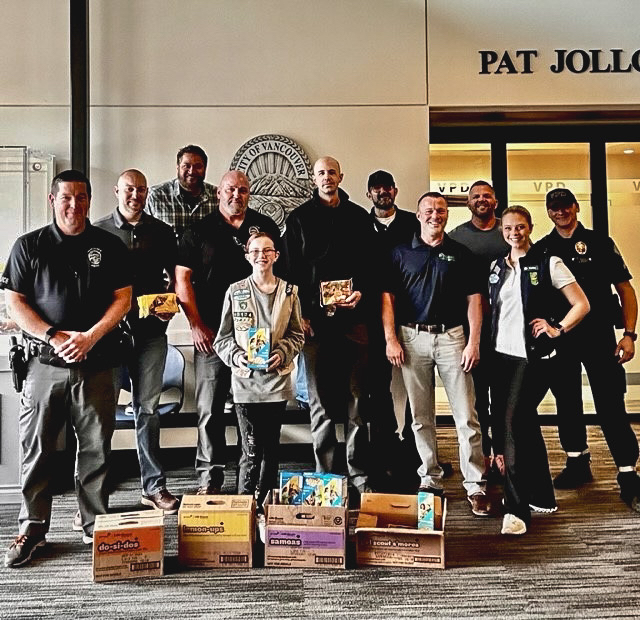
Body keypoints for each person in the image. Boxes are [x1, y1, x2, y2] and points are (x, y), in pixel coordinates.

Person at [2, 170, 132, 567]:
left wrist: (90, 336)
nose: (74, 204)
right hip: (45, 364)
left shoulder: (108, 245)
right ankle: (33, 528)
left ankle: (95, 523)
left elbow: (123, 298)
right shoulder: (29, 246)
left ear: (90, 200)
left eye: (81, 197)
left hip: (97, 364)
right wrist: (54, 336)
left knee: (95, 448)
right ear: (52, 199)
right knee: (38, 448)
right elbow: (15, 303)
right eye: (66, 198)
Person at [382, 191, 490, 516]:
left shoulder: (461, 253)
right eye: (428, 209)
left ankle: (476, 485)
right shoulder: (400, 253)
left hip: (453, 338)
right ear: (417, 215)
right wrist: (391, 339)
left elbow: (475, 300)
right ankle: (430, 478)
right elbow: (388, 299)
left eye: (440, 210)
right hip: (412, 338)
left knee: (466, 417)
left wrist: (474, 342)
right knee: (420, 417)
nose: (435, 215)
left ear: (446, 215)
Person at [175, 170, 281, 495]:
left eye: (243, 190)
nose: (237, 195)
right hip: (212, 337)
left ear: (250, 194)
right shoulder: (199, 230)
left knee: (253, 415)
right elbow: (182, 280)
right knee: (210, 411)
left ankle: (251, 487)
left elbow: (280, 279)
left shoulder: (266, 227)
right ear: (219, 192)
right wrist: (195, 325)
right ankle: (210, 480)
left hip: (257, 341)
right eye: (231, 189)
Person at [488, 206, 590, 535]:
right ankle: (542, 496)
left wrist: (557, 328)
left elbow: (582, 304)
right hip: (501, 356)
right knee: (525, 424)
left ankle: (517, 510)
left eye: (520, 226)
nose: (514, 232)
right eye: (508, 228)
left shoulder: (548, 262)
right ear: (501, 230)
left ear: (530, 227)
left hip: (531, 358)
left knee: (513, 424)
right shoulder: (497, 267)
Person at [538, 188, 640, 510]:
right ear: (548, 212)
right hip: (561, 337)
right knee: (567, 401)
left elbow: (625, 290)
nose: (560, 212)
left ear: (576, 207)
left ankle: (628, 474)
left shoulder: (599, 242)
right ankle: (577, 462)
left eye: (565, 206)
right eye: (554, 208)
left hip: (598, 337)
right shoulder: (542, 249)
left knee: (610, 404)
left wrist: (629, 335)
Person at [282, 156, 374, 497]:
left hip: (355, 323)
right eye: (321, 173)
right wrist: (300, 315)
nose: (327, 178)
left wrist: (361, 290)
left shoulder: (359, 218)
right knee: (319, 405)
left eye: (332, 172)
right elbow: (288, 273)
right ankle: (325, 476)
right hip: (315, 327)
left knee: (356, 402)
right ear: (313, 178)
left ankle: (358, 474)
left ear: (341, 176)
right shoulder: (299, 219)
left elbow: (372, 264)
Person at [94, 169, 180, 513]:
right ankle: (93, 498)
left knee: (148, 411)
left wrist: (169, 305)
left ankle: (154, 488)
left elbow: (176, 278)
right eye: (129, 189)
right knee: (99, 416)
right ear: (117, 191)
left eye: (141, 190)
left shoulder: (161, 232)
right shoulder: (97, 231)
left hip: (150, 335)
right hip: (108, 339)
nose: (135, 195)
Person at [214, 232, 304, 506]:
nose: (261, 256)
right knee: (251, 450)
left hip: (276, 384)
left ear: (276, 255)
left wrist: (282, 352)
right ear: (247, 255)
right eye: (255, 251)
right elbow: (222, 339)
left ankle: (265, 505)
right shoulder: (235, 291)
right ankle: (244, 506)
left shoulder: (290, 292)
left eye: (267, 250)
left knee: (271, 450)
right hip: (245, 385)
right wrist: (237, 356)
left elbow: (297, 335)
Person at [450, 180, 510, 477]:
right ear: (468, 203)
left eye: (487, 195)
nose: (482, 200)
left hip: (508, 331)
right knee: (474, 399)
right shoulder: (457, 238)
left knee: (503, 397)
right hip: (471, 332)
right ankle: (484, 452)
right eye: (476, 196)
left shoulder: (508, 232)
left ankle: (502, 452)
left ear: (495, 201)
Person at [365, 170, 420, 490]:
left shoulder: (414, 224)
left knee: (416, 384)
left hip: (412, 313)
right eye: (377, 189)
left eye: (387, 188)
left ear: (395, 191)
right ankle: (383, 450)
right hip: (372, 316)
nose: (383, 193)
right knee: (378, 386)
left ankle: (413, 448)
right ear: (369, 193)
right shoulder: (360, 224)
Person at [146, 144, 219, 240]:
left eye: (198, 166)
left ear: (205, 168)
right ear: (178, 167)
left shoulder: (218, 197)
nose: (192, 171)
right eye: (186, 166)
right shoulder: (155, 196)